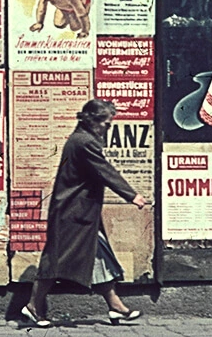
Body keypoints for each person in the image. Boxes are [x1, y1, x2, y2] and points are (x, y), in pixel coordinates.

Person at [22, 99, 148, 328]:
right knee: (55, 261)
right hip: (72, 213)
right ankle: (33, 306)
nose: (108, 129)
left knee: (100, 257)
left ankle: (115, 306)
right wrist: (131, 195)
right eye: (106, 124)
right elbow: (105, 171)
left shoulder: (80, 139)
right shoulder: (84, 142)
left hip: (79, 214)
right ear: (93, 121)